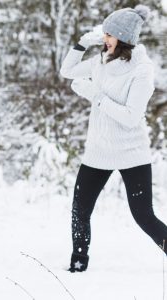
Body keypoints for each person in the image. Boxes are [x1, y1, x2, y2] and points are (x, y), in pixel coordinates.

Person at [60, 5, 167, 272]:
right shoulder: (101, 60)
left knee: (143, 216)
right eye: (104, 32)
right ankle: (78, 262)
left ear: (125, 38)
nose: (104, 38)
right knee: (80, 210)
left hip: (132, 152)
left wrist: (94, 95)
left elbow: (131, 116)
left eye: (110, 33)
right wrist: (81, 43)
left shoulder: (142, 70)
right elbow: (67, 71)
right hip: (98, 150)